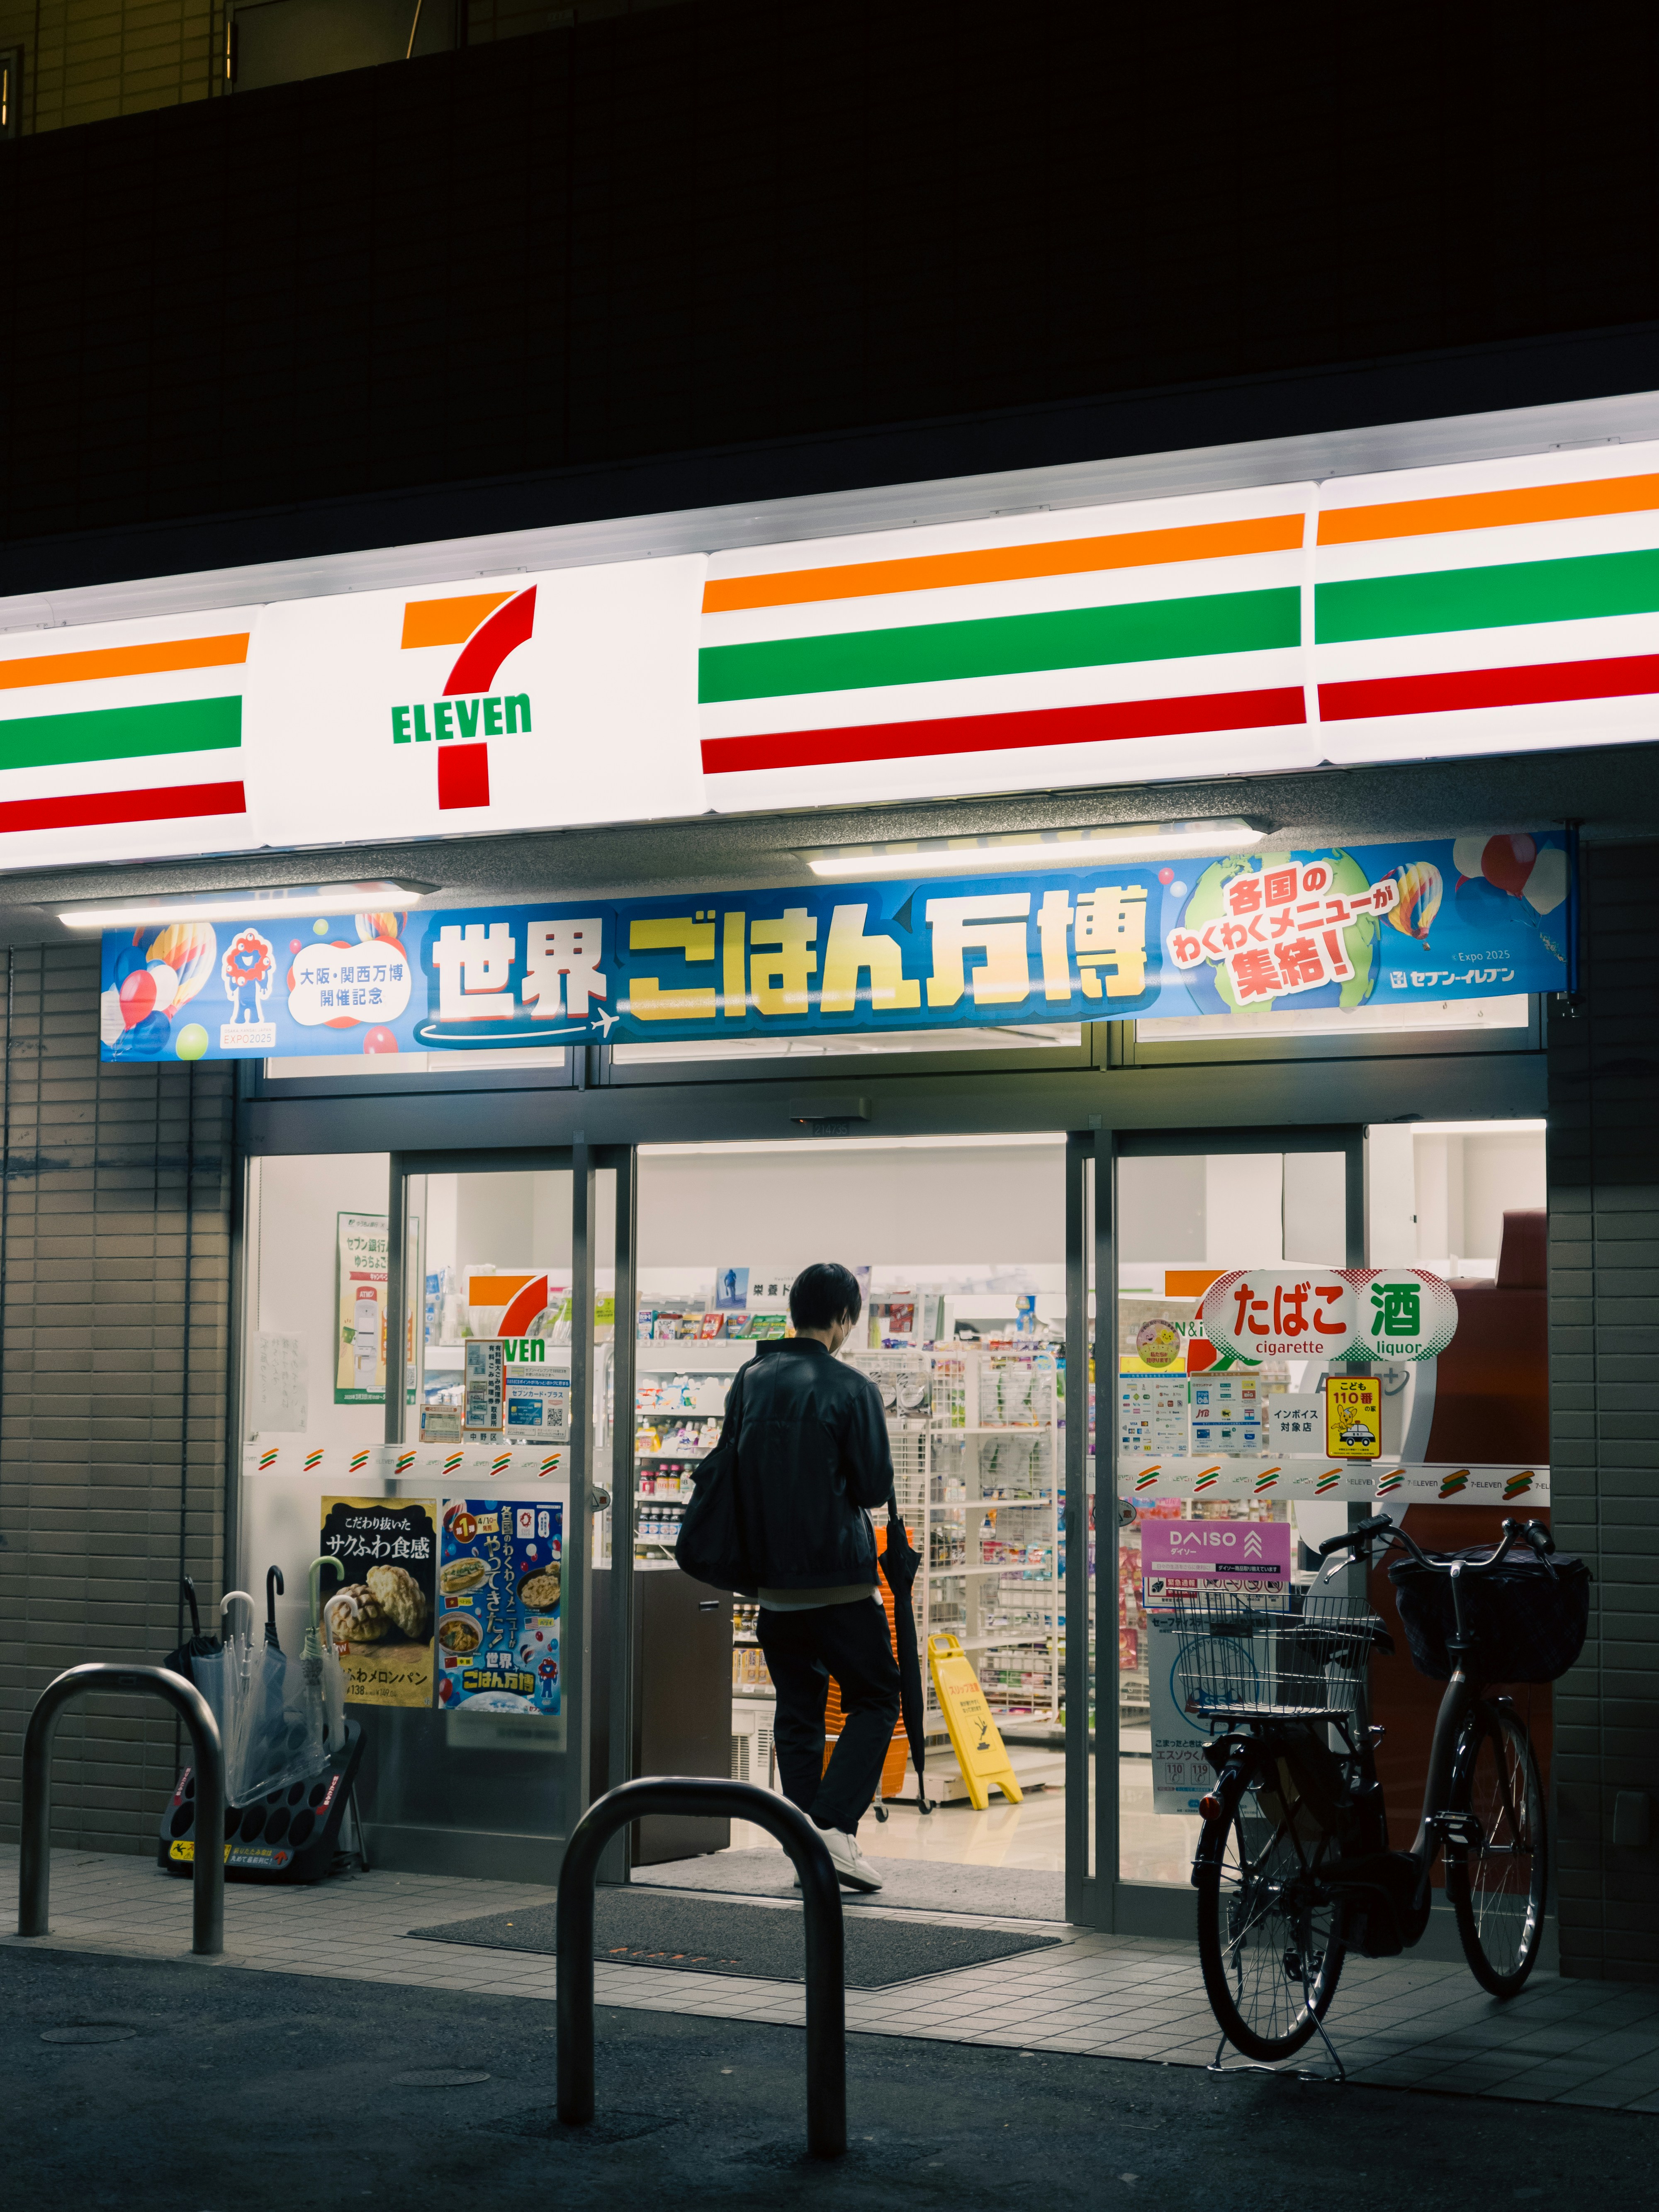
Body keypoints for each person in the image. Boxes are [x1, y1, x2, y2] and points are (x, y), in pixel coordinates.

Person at [729, 1260, 900, 1891]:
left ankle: (809, 1837)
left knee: (798, 1707)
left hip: (772, 1580)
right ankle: (830, 1826)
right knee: (877, 1694)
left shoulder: (750, 1379)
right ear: (844, 1318)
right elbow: (875, 1486)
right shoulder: (850, 1386)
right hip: (839, 1579)